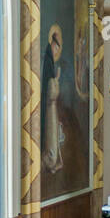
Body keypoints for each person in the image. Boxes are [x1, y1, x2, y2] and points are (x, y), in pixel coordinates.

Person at [41, 24, 64, 174]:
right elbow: (51, 92)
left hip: (51, 107)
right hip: (49, 107)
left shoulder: (49, 60)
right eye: (56, 48)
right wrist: (56, 79)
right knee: (50, 134)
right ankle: (49, 160)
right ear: (53, 45)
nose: (57, 52)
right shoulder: (48, 62)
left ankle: (51, 159)